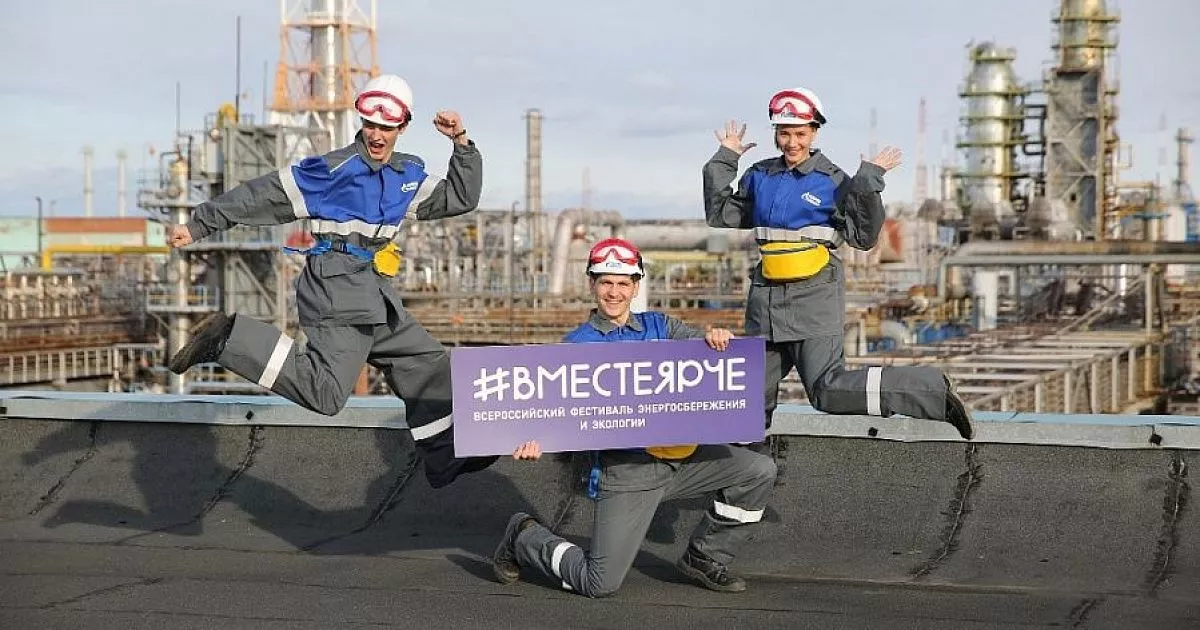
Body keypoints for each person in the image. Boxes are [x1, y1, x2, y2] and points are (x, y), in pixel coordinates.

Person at [165, 74, 497, 488]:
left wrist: (461, 143)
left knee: (426, 362)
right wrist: (199, 224)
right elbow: (262, 195)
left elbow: (460, 199)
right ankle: (230, 340)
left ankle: (445, 454)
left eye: (386, 127)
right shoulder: (332, 171)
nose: (376, 134)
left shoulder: (406, 176)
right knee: (326, 394)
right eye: (370, 124)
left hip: (373, 294)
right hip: (336, 290)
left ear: (403, 127)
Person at [491, 238, 777, 597]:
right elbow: (553, 411)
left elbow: (707, 352)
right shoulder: (576, 347)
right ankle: (524, 536)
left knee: (758, 470)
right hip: (627, 472)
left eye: (623, 283)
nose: (614, 292)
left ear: (636, 287)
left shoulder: (662, 326)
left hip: (683, 459)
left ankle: (705, 556)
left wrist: (718, 338)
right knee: (598, 583)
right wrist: (534, 439)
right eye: (606, 282)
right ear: (592, 284)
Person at [703, 87, 974, 440]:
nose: (791, 143)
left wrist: (868, 182)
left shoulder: (832, 181)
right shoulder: (759, 176)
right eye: (784, 133)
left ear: (814, 132)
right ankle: (748, 464)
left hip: (814, 300)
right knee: (746, 392)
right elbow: (721, 213)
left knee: (827, 390)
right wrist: (725, 158)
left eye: (800, 134)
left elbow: (863, 237)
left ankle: (932, 392)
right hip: (766, 304)